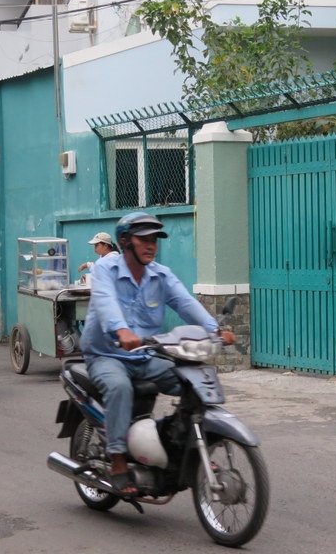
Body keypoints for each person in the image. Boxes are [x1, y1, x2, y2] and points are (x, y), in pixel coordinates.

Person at [79, 212, 220, 497]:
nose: (150, 245)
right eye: (143, 239)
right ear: (124, 241)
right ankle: (118, 459)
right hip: (106, 355)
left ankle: (186, 445)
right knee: (119, 387)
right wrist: (121, 331)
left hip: (144, 356)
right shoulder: (106, 269)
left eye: (154, 239)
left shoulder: (160, 275)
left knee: (194, 381)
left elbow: (185, 303)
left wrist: (215, 329)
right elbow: (105, 302)